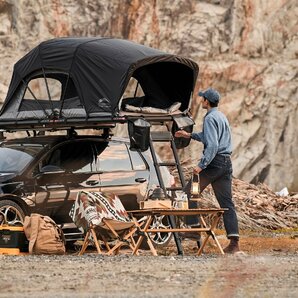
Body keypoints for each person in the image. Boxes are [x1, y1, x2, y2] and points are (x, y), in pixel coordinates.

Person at [175, 88, 240, 254]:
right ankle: (234, 242)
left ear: (207, 102)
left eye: (202, 98)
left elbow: (212, 145)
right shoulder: (221, 116)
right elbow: (208, 137)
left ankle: (194, 229)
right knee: (227, 204)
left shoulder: (210, 118)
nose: (201, 100)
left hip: (214, 164)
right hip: (225, 164)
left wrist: (201, 165)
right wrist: (188, 135)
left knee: (189, 192)